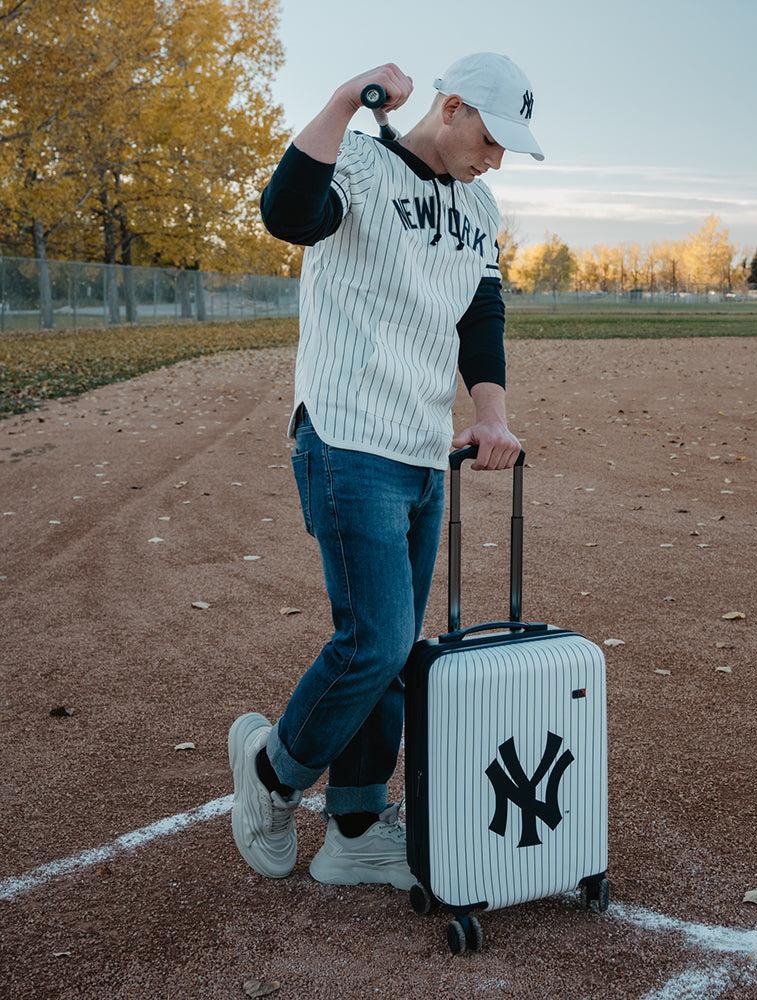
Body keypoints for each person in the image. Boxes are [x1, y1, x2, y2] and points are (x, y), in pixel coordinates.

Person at [227, 53, 544, 889]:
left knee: (396, 648)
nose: (498, 158)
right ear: (451, 107)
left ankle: (357, 825)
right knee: (375, 639)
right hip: (345, 438)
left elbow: (482, 315)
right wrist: (340, 100)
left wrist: (491, 415)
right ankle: (270, 772)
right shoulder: (359, 161)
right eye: (492, 137)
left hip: (418, 447)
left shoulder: (480, 205)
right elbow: (287, 213)